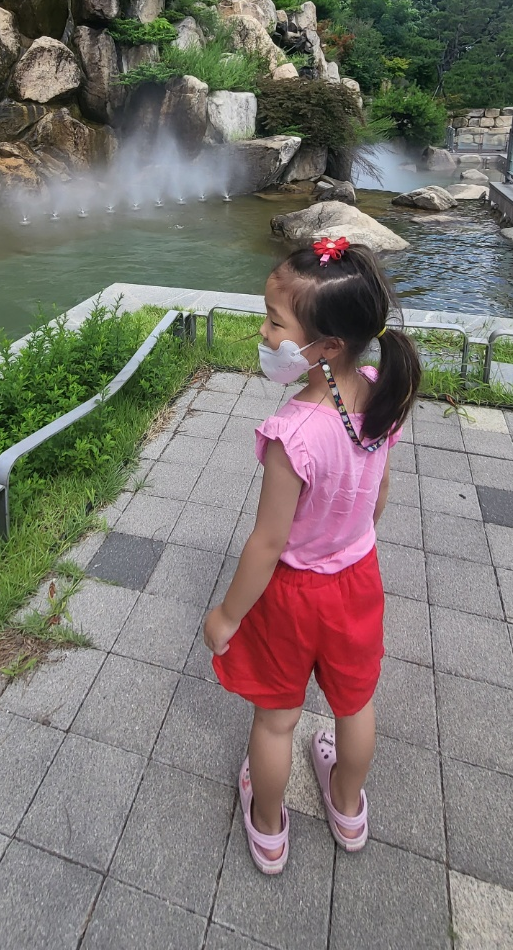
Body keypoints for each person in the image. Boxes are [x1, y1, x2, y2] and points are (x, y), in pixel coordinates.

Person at [203, 235, 422, 873]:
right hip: (358, 580)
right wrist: (350, 536)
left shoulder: (292, 433)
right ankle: (348, 808)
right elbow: (379, 493)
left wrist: (227, 615)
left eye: (275, 323)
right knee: (354, 705)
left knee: (276, 721)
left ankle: (270, 827)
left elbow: (267, 542)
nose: (264, 332)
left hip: (294, 596)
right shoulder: (380, 391)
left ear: (325, 346)